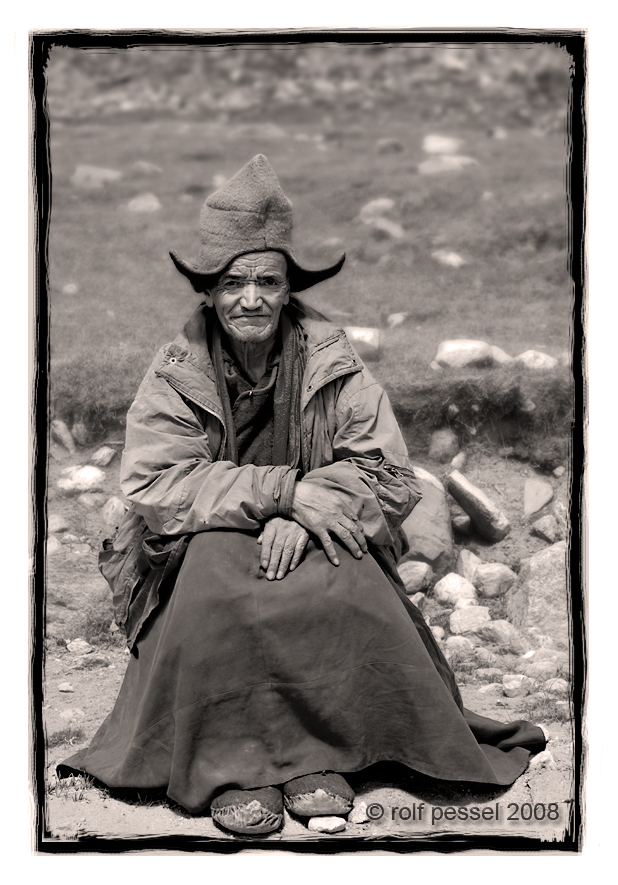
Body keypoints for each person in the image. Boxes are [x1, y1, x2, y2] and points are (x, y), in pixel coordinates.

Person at [60, 155, 546, 836]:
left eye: (266, 280)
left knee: (352, 589)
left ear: (289, 287)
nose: (250, 298)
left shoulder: (331, 357)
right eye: (233, 282)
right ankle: (233, 765)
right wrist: (287, 492)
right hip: (207, 538)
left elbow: (390, 473)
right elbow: (155, 483)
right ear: (209, 292)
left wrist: (321, 501)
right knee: (214, 592)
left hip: (321, 524)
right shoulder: (175, 372)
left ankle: (320, 757)